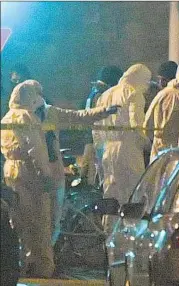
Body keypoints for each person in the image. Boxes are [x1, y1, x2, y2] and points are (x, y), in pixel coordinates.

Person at [0, 80, 118, 277]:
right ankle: (39, 265)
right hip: (34, 173)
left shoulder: (47, 112)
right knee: (35, 219)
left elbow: (77, 117)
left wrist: (102, 112)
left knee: (50, 218)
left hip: (48, 170)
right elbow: (35, 148)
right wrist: (43, 173)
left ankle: (38, 261)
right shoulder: (23, 117)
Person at [94, 64, 151, 232]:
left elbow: (96, 129)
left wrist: (99, 154)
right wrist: (147, 144)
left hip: (107, 150)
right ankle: (129, 235)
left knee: (111, 194)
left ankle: (109, 234)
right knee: (132, 193)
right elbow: (136, 125)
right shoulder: (134, 94)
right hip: (129, 149)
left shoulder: (105, 96)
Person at [81, 66, 124, 187]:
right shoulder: (101, 94)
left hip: (90, 136)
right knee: (96, 173)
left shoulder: (93, 92)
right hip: (96, 138)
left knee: (90, 169)